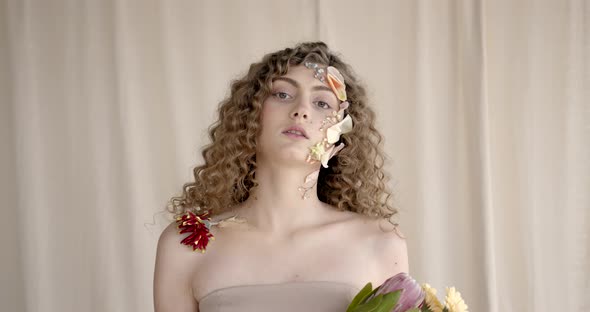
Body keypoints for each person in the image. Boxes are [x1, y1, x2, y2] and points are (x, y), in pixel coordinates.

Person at [153, 41, 408, 312]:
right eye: (283, 94)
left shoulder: (380, 241)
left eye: (322, 102)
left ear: (341, 131)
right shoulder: (184, 246)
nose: (302, 111)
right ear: (249, 115)